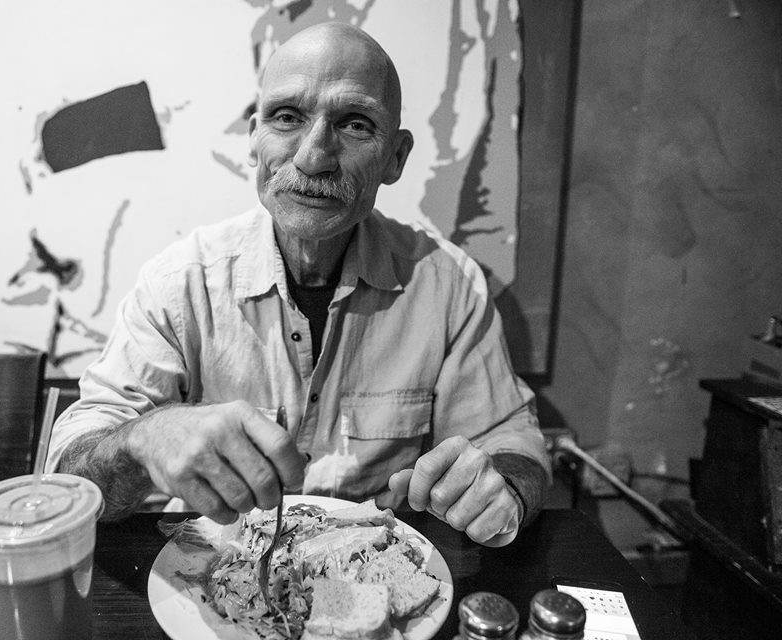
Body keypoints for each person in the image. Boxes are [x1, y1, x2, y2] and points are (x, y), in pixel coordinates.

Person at [47, 22, 550, 547]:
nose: (313, 157)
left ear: (395, 158)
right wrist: (144, 438)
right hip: (209, 569)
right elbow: (67, 471)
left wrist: (502, 487)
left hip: (378, 569)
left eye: (355, 124)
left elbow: (512, 443)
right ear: (254, 137)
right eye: (287, 117)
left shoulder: (448, 286)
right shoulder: (180, 283)